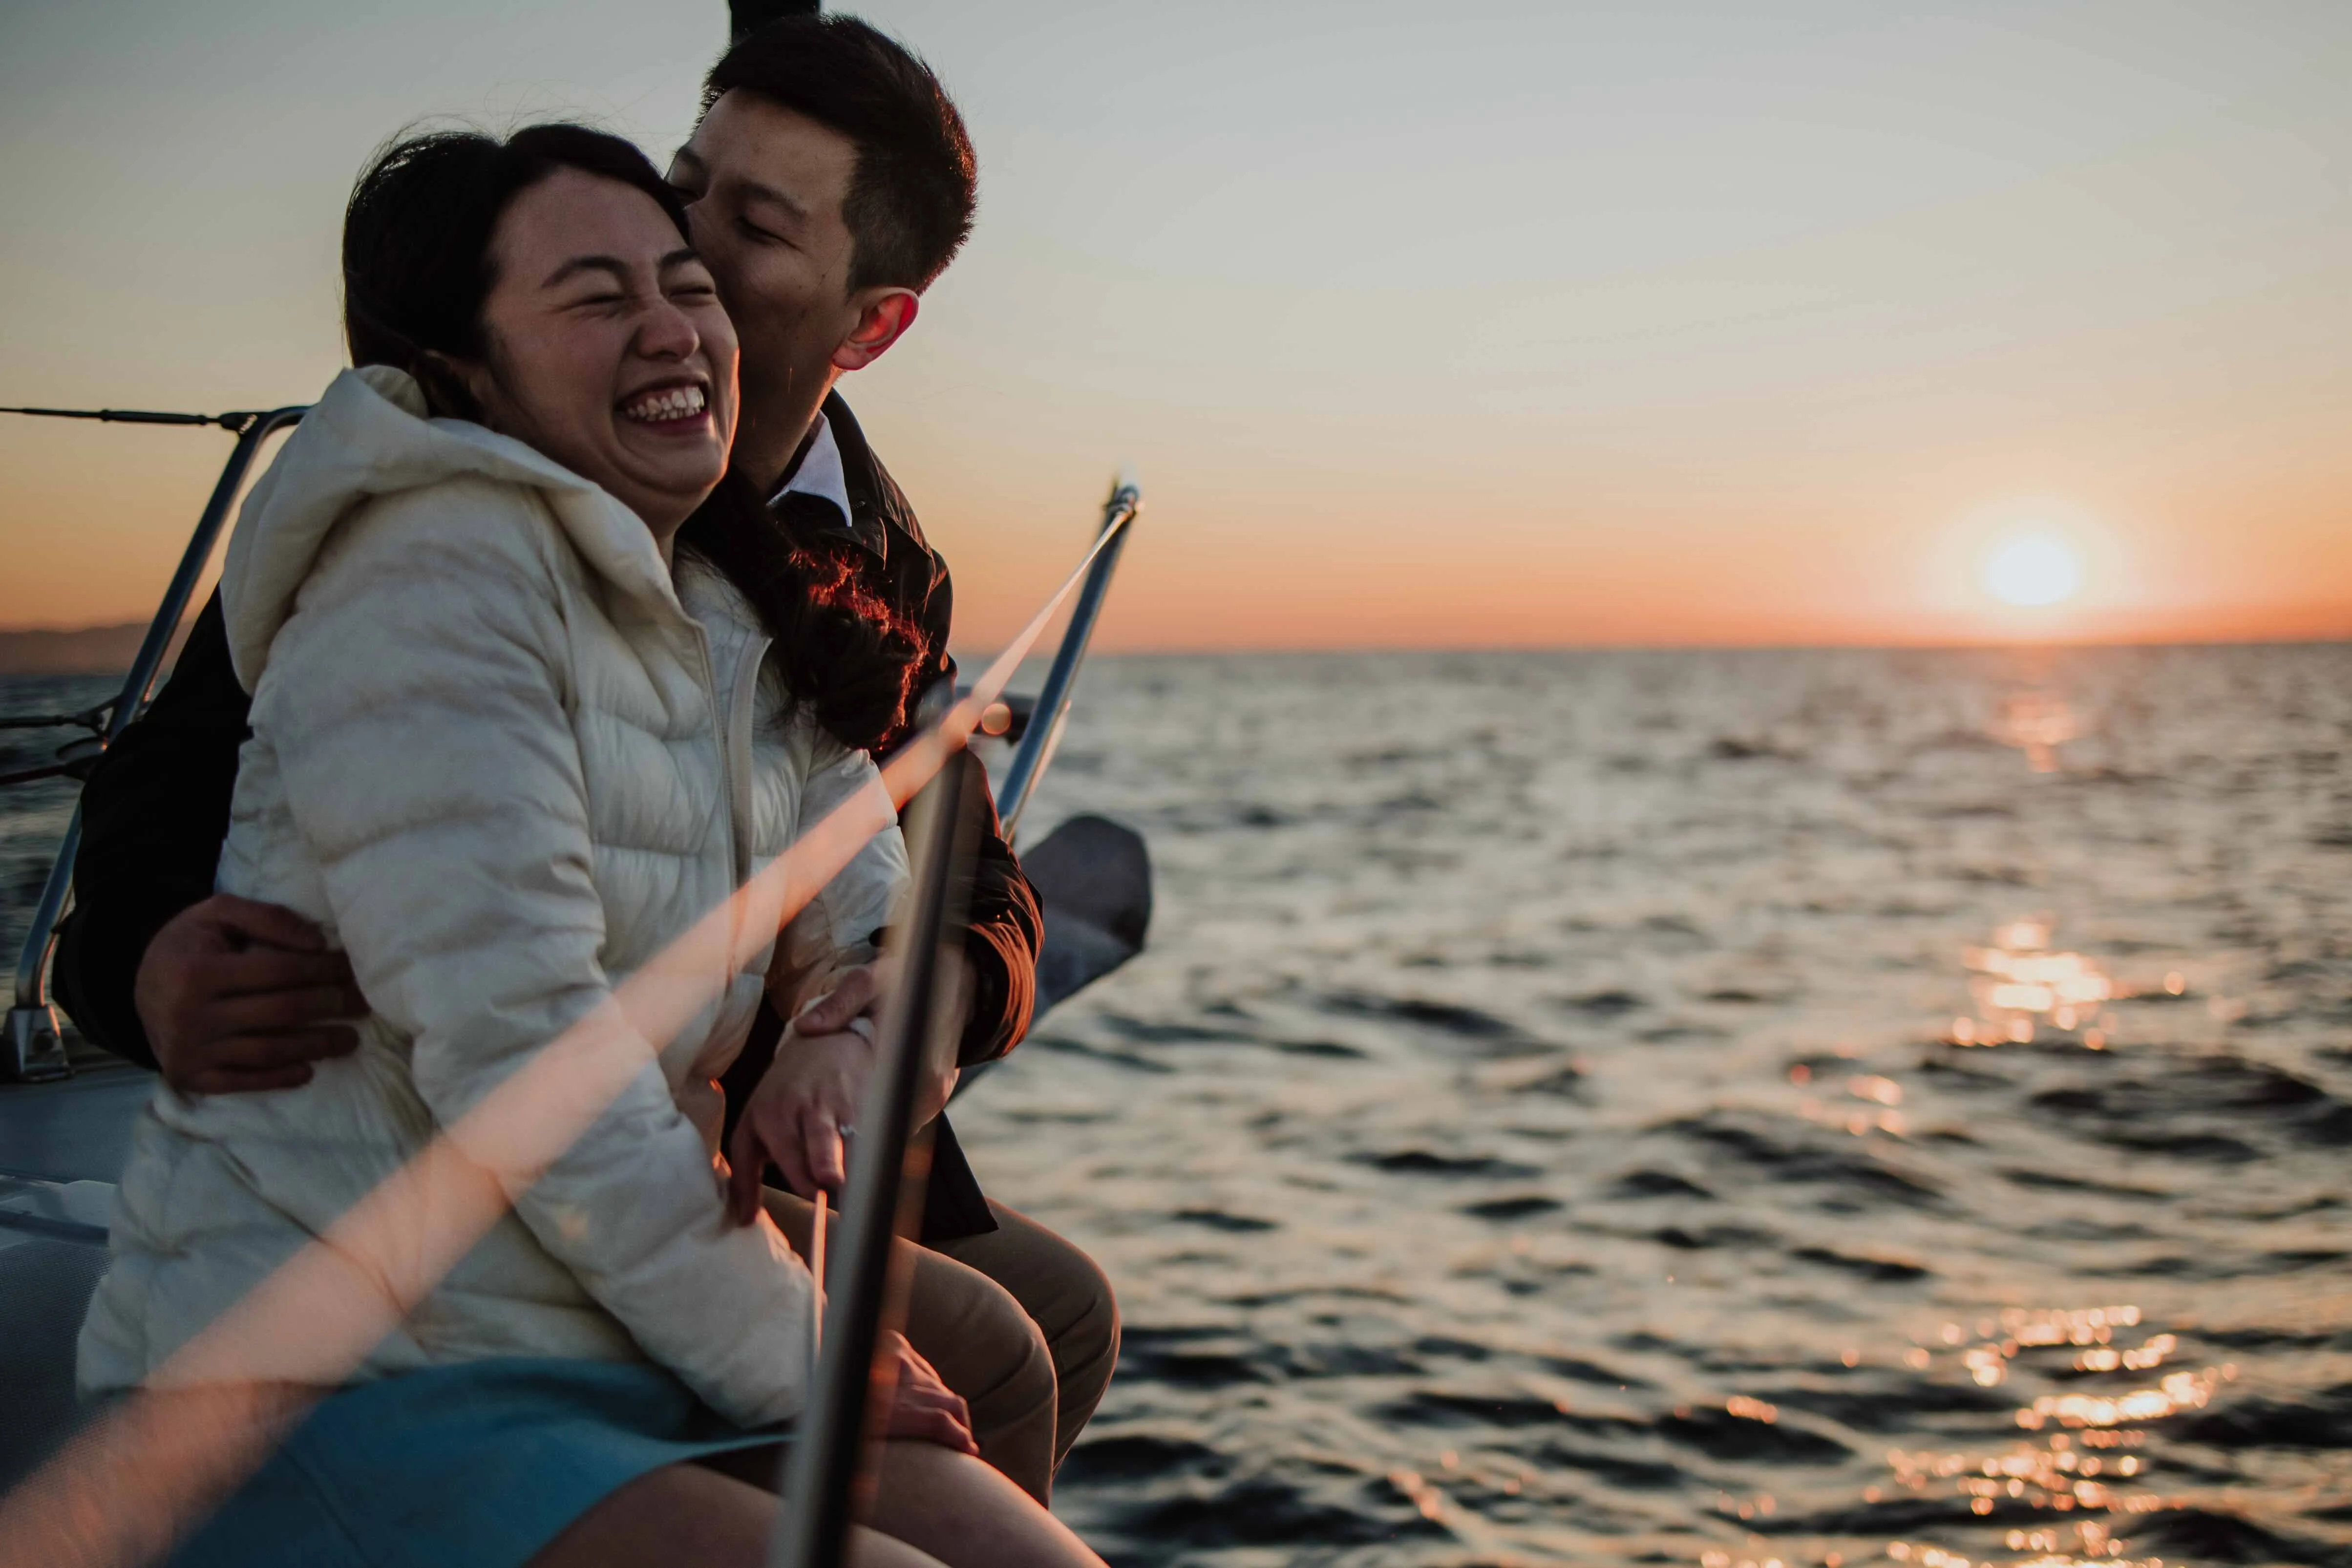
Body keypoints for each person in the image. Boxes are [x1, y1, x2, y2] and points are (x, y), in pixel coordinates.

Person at [53, 14, 1116, 1504]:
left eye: (746, 227)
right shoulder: (468, 477)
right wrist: (147, 963)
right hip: (462, 1193)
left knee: (1055, 1312)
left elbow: (958, 875)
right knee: (986, 1349)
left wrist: (902, 1003)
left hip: (747, 1138)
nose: (675, 242)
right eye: (688, 181)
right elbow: (179, 783)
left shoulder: (862, 550)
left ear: (869, 326)